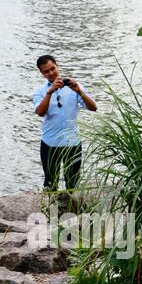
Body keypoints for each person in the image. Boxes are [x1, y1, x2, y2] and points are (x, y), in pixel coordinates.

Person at [32, 54, 97, 191]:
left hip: (72, 143)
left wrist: (79, 91)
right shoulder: (40, 91)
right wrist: (50, 92)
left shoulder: (74, 86)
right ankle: (51, 212)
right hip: (50, 144)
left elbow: (93, 107)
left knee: (72, 184)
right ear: (41, 73)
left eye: (52, 68)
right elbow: (40, 113)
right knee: (50, 184)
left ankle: (72, 212)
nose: (50, 73)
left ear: (57, 65)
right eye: (46, 71)